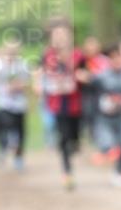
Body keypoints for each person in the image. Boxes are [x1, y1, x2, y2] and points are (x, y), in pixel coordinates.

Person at [34, 23, 85, 190]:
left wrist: (82, 76)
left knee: (74, 139)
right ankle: (67, 173)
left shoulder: (78, 54)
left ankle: (74, 145)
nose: (60, 38)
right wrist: (37, 84)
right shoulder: (47, 55)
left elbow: (88, 72)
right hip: (57, 102)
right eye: (56, 35)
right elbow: (38, 71)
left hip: (77, 102)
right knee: (63, 138)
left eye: (63, 34)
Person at [0, 42, 31, 170]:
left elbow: (30, 83)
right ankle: (5, 146)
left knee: (21, 132)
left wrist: (20, 86)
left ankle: (18, 157)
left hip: (19, 104)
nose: (11, 53)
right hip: (3, 103)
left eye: (14, 51)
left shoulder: (23, 65)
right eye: (9, 50)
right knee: (6, 125)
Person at [93, 43, 121, 188]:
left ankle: (119, 172)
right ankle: (104, 155)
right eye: (114, 59)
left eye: (120, 58)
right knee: (107, 144)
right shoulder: (101, 76)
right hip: (105, 118)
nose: (118, 62)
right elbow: (90, 87)